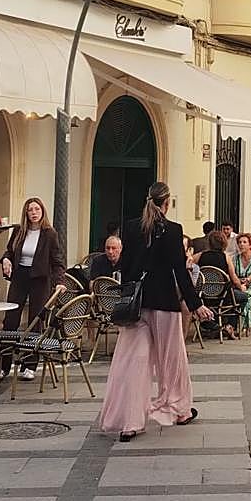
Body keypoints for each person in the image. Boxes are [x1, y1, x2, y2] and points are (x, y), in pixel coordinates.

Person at [97, 182, 213, 442]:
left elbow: (125, 268)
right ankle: (180, 410)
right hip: (164, 304)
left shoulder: (130, 227)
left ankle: (130, 422)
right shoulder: (173, 231)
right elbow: (179, 272)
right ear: (167, 203)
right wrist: (196, 305)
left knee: (133, 364)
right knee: (171, 360)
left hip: (136, 306)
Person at [0, 197, 66, 381]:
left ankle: (30, 365)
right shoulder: (19, 231)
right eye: (30, 210)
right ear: (26, 213)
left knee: (35, 320)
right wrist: (5, 259)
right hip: (20, 277)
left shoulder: (50, 234)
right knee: (10, 319)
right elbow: (9, 251)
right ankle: (4, 365)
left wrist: (60, 281)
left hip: (40, 279)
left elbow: (58, 261)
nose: (34, 213)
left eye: (37, 209)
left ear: (42, 211)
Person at [198, 230, 247, 337]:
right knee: (243, 297)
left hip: (204, 295)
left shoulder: (200, 255)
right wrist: (241, 287)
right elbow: (234, 279)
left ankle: (213, 325)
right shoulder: (226, 257)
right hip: (223, 296)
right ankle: (231, 325)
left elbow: (188, 263)